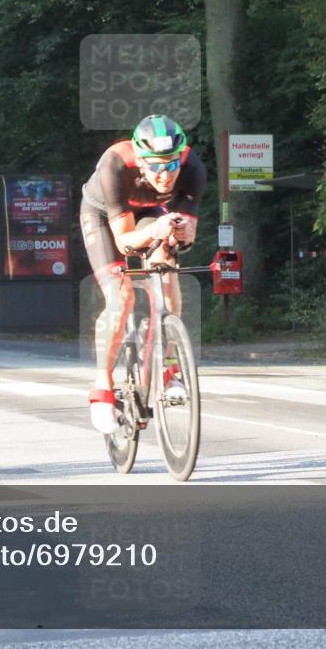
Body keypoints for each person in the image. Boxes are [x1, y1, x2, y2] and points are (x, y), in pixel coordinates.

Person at [80, 115, 206, 432]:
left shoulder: (193, 169)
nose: (165, 175)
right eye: (155, 166)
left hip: (150, 213)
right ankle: (103, 388)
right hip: (102, 217)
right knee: (120, 298)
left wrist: (184, 231)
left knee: (167, 273)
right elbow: (124, 243)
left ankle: (168, 368)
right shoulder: (116, 165)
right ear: (140, 160)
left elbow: (188, 231)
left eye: (171, 165)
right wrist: (157, 232)